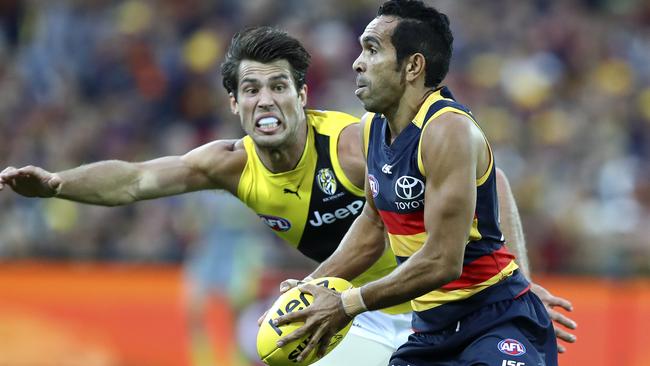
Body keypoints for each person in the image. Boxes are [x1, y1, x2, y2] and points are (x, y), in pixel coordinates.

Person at [0, 25, 574, 365]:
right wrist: (56, 186)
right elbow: (134, 179)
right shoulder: (230, 165)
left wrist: (513, 282)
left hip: (445, 312)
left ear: (302, 95)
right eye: (251, 89)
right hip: (359, 322)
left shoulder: (353, 145)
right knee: (275, 346)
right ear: (235, 104)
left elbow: (489, 178)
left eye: (279, 86)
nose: (265, 100)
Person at [272, 2, 566, 365]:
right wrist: (313, 285)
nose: (357, 62)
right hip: (431, 331)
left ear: (413, 66)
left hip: (497, 319)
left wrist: (347, 304)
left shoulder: (447, 130)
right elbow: (372, 223)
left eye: (372, 49)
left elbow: (443, 260)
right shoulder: (372, 128)